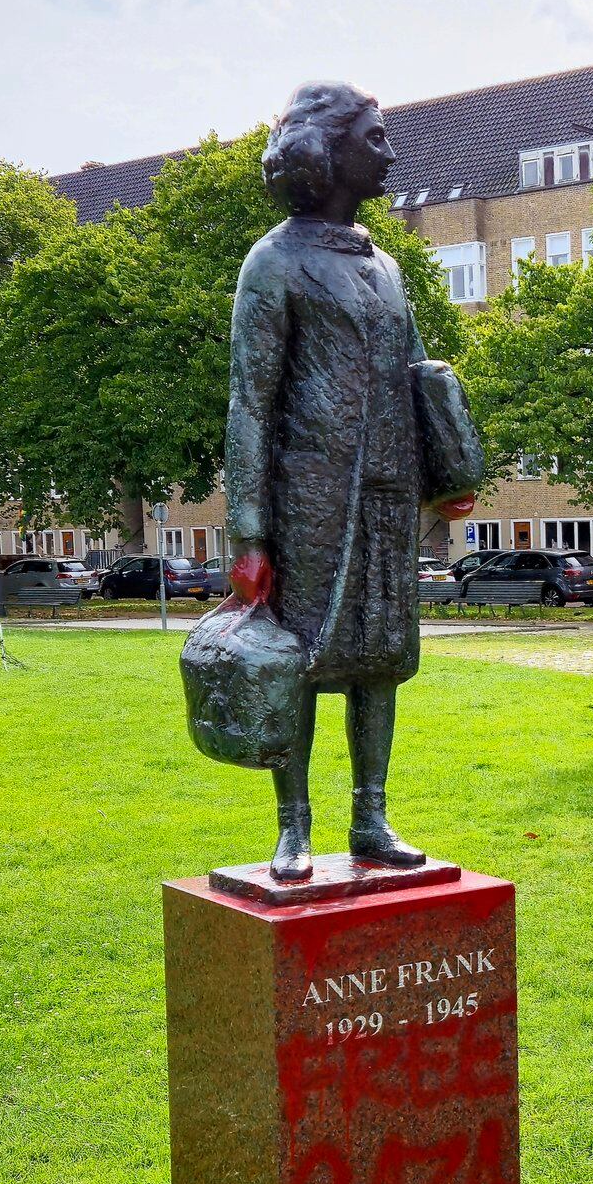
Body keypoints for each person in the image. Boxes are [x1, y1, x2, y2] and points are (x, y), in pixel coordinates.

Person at [222, 81, 478, 882]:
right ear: (324, 151)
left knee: (380, 655)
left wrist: (448, 460)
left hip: (387, 492)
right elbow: (250, 401)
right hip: (309, 501)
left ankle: (370, 816)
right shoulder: (274, 261)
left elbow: (415, 371)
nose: (390, 152)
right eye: (374, 137)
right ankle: (293, 823)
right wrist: (250, 531)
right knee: (297, 657)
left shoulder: (387, 267)